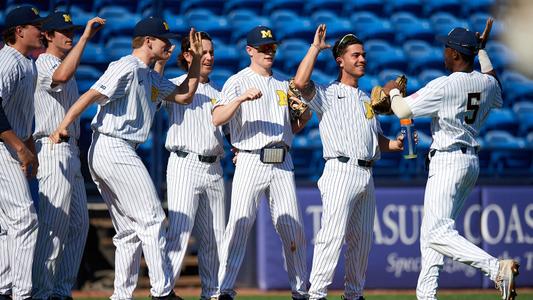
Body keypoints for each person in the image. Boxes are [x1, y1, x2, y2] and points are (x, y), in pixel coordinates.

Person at [49, 17, 204, 300]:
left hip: (116, 149)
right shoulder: (127, 66)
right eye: (163, 40)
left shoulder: (148, 74)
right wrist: (63, 123)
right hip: (113, 145)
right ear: (148, 42)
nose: (168, 44)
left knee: (129, 232)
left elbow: (184, 96)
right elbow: (90, 95)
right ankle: (162, 292)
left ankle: (121, 296)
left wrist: (193, 60)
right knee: (153, 218)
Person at [385, 19, 520, 300]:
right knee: (433, 234)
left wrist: (392, 91)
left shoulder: (446, 85)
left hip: (448, 160)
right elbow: (497, 86)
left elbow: (402, 109)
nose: (444, 52)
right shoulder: (486, 84)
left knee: (436, 232)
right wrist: (482, 50)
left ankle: (496, 268)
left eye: (447, 48)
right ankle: (426, 295)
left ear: (456, 54)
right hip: (468, 161)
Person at [293, 25, 409, 300]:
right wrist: (314, 48)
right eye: (355, 55)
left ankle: (354, 294)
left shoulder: (368, 99)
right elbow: (299, 83)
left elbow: (376, 139)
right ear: (340, 61)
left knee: (362, 242)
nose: (362, 59)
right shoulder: (328, 93)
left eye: (363, 55)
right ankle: (317, 294)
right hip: (340, 170)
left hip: (366, 173)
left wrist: (395, 144)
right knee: (332, 236)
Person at [211, 25, 310, 300]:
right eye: (263, 47)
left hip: (281, 160)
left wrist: (302, 121)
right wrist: (241, 98)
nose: (269, 51)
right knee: (239, 225)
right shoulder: (237, 81)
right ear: (250, 51)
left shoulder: (283, 84)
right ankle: (224, 291)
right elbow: (218, 118)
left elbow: (290, 127)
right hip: (251, 158)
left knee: (292, 227)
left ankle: (301, 291)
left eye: (272, 47)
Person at [31, 12, 105, 300]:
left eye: (71, 30)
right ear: (48, 36)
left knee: (77, 225)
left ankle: (60, 291)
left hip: (69, 149)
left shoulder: (63, 63)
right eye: (62, 31)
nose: (69, 34)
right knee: (54, 225)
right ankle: (41, 291)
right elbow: (61, 77)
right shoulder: (45, 63)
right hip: (51, 147)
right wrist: (86, 37)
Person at [164, 31, 225, 300]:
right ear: (188, 55)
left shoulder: (219, 92)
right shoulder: (173, 84)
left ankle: (212, 293)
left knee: (214, 238)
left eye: (211, 52)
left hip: (214, 167)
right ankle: (163, 291)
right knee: (179, 232)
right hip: (184, 163)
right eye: (203, 51)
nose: (209, 57)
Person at [0, 5, 45, 300]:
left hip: (12, 146)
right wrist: (20, 149)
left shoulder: (27, 63)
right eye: (36, 26)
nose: (41, 31)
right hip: (2, 147)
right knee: (24, 219)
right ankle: (22, 294)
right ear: (19, 31)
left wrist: (30, 150)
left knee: (8, 226)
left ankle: (4, 290)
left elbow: (21, 115)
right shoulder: (7, 61)